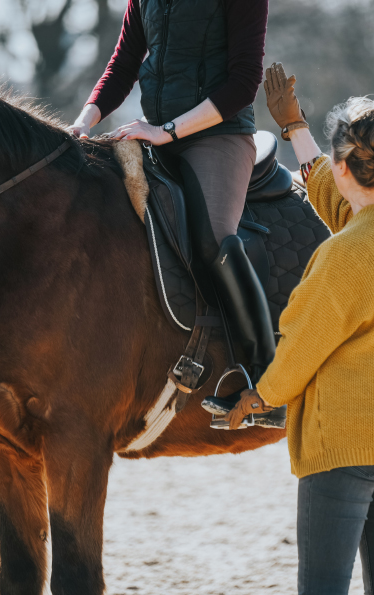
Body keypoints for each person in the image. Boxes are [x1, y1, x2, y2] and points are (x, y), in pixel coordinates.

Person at [225, 63, 374, 594]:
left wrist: (261, 395)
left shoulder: (343, 254)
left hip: (349, 445)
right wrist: (293, 126)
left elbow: (300, 347)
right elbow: (342, 198)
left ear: (345, 165)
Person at [71, 1, 286, 426]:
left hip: (218, 135)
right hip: (156, 133)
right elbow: (123, 63)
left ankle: (267, 379)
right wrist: (83, 122)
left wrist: (165, 131)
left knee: (215, 239)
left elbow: (244, 82)